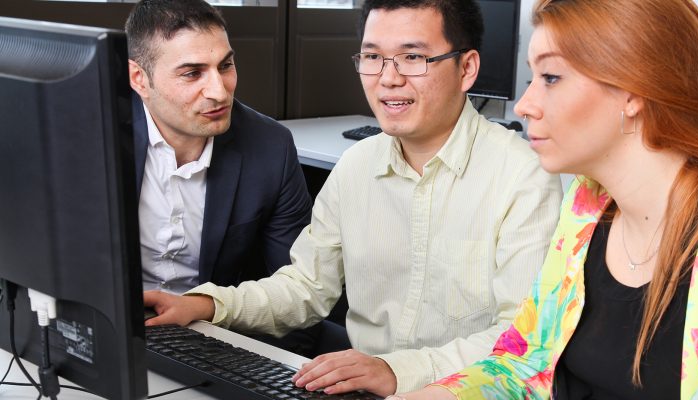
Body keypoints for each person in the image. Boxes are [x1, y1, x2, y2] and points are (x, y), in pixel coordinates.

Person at [143, 0, 564, 396]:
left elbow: (521, 339)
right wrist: (206, 304)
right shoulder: (356, 166)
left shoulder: (523, 175)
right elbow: (305, 288)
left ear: (466, 68)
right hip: (361, 392)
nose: (388, 77)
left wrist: (398, 371)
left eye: (413, 57)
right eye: (373, 56)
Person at [393, 0, 698, 399]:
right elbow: (524, 365)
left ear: (632, 89)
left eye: (550, 77)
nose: (524, 105)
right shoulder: (587, 205)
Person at [125, 0, 312, 293]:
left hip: (213, 324)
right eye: (192, 73)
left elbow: (298, 289)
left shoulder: (271, 147)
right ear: (139, 79)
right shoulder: (91, 134)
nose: (219, 91)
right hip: (110, 324)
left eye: (225, 66)